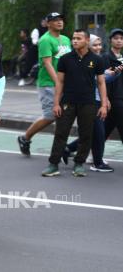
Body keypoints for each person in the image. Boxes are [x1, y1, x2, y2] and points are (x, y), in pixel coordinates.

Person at [41, 29, 107, 177]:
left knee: (86, 134)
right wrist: (56, 103)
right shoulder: (65, 59)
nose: (74, 41)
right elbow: (60, 82)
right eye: (73, 38)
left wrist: (103, 105)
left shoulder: (97, 60)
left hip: (89, 103)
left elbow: (101, 83)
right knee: (61, 133)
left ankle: (79, 164)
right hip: (67, 103)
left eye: (78, 38)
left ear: (86, 40)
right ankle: (53, 164)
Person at [62, 34, 122, 172]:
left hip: (96, 101)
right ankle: (97, 162)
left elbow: (103, 80)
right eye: (95, 45)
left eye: (99, 44)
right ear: (87, 45)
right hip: (88, 101)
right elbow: (93, 79)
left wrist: (115, 73)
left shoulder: (97, 60)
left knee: (94, 133)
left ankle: (68, 149)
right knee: (99, 133)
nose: (98, 47)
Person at [18, 12, 71, 156]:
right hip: (48, 83)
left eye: (61, 19)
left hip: (64, 83)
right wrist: (58, 82)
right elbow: (47, 63)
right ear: (48, 24)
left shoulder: (66, 39)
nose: (59, 22)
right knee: (50, 115)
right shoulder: (45, 40)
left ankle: (61, 145)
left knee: (64, 115)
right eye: (55, 20)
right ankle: (25, 138)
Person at [102, 28, 123, 149]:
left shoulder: (122, 58)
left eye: (121, 38)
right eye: (116, 38)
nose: (119, 41)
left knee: (104, 130)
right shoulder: (106, 57)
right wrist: (106, 99)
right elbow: (103, 80)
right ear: (111, 41)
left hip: (120, 97)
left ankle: (70, 149)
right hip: (113, 98)